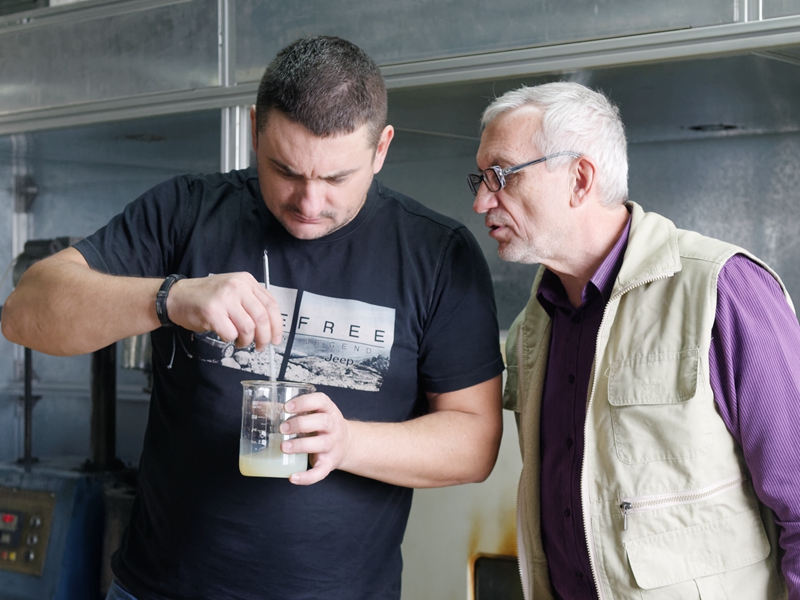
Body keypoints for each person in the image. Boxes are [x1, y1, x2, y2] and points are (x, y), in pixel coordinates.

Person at [1, 36, 505, 600]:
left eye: (336, 178)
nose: (309, 203)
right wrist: (170, 298)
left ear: (381, 148)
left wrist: (347, 443)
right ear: (254, 128)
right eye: (285, 170)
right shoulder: (188, 211)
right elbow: (24, 313)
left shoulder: (436, 254)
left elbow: (474, 441)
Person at [469, 81, 800, 600]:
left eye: (502, 175)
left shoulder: (722, 288)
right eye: (481, 178)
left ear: (579, 179)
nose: (481, 201)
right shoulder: (534, 325)